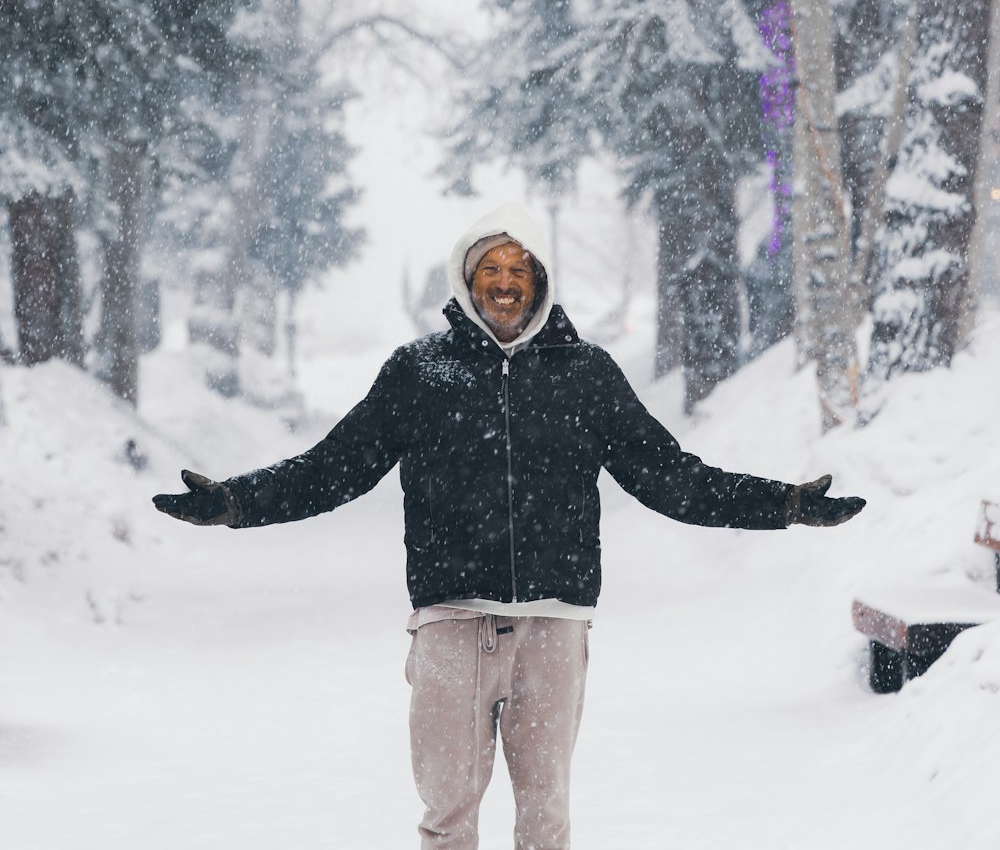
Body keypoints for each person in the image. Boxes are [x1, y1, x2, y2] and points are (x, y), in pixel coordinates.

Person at [153, 203, 865, 850]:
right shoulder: (419, 372)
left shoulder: (585, 372)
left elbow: (669, 476)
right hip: (451, 621)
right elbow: (336, 466)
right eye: (489, 268)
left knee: (545, 816)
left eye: (518, 269)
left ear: (539, 281)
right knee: (447, 816)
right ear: (466, 282)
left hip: (554, 628)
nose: (504, 281)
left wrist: (785, 505)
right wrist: (236, 504)